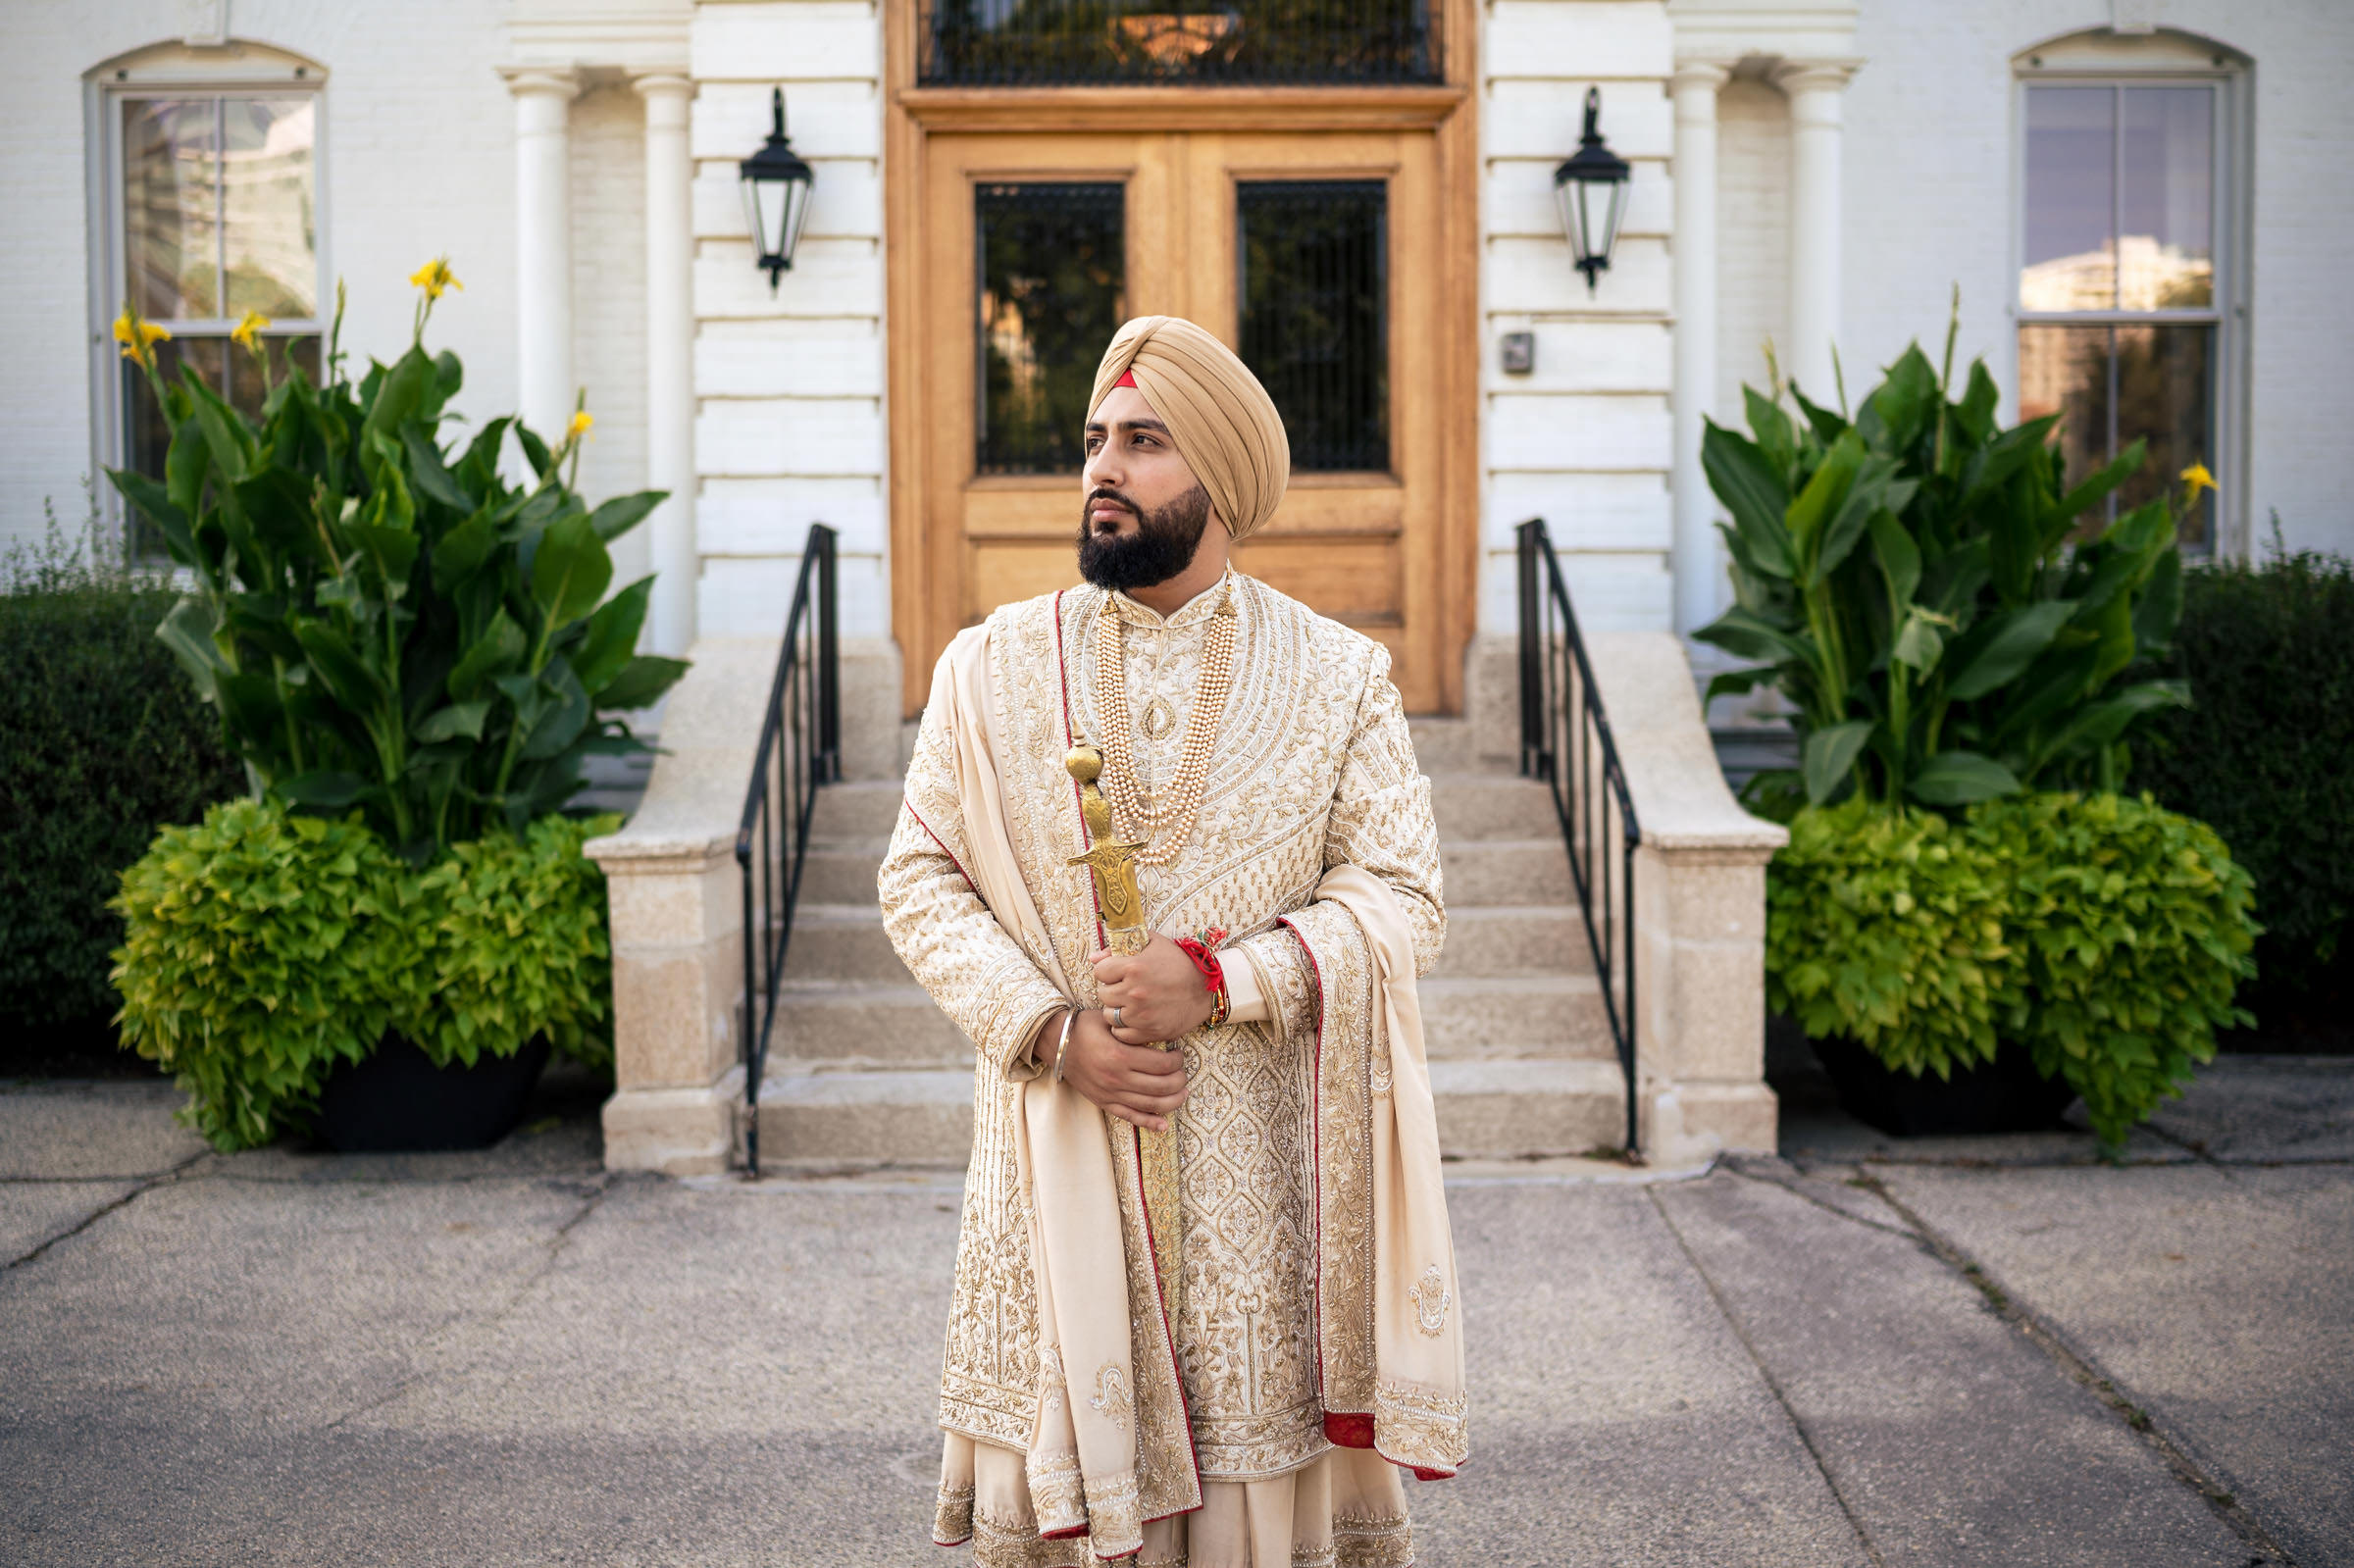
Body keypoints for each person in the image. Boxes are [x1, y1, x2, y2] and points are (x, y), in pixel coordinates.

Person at [879, 315, 1466, 1568]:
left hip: (1262, 1220)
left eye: (1144, 442)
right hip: (1058, 1176)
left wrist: (1222, 981)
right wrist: (1053, 1036)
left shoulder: (1338, 676)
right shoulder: (990, 669)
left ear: (1220, 478)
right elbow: (920, 879)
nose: (1104, 467)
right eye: (1095, 440)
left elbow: (1405, 900)